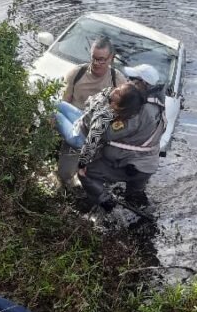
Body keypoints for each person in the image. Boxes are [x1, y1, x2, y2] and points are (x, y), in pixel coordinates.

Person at [78, 69, 166, 212]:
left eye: (132, 79)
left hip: (131, 164)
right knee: (134, 198)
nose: (128, 81)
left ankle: (105, 202)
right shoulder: (158, 102)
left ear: (143, 84)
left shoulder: (137, 109)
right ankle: (141, 210)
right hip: (147, 164)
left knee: (88, 173)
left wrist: (83, 163)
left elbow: (105, 133)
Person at [58, 36, 126, 185]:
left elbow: (124, 116)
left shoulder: (118, 81)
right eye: (93, 58)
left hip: (100, 137)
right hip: (76, 127)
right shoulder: (76, 73)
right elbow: (64, 102)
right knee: (64, 175)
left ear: (111, 58)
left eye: (101, 60)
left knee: (92, 179)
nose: (96, 63)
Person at [54, 84, 145, 160]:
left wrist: (82, 165)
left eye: (119, 94)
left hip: (79, 137)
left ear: (121, 106)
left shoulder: (111, 119)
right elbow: (88, 103)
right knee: (56, 103)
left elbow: (93, 140)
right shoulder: (110, 97)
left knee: (53, 113)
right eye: (119, 87)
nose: (116, 90)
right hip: (81, 121)